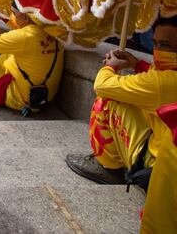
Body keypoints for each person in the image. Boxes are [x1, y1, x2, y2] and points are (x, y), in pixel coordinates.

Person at [65, 15, 177, 188]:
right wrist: (136, 63)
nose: (157, 51)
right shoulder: (166, 77)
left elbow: (103, 86)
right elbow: (155, 77)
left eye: (165, 45)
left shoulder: (165, 82)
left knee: (108, 100)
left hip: (159, 166)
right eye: (155, 43)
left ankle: (109, 168)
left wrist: (111, 66)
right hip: (167, 154)